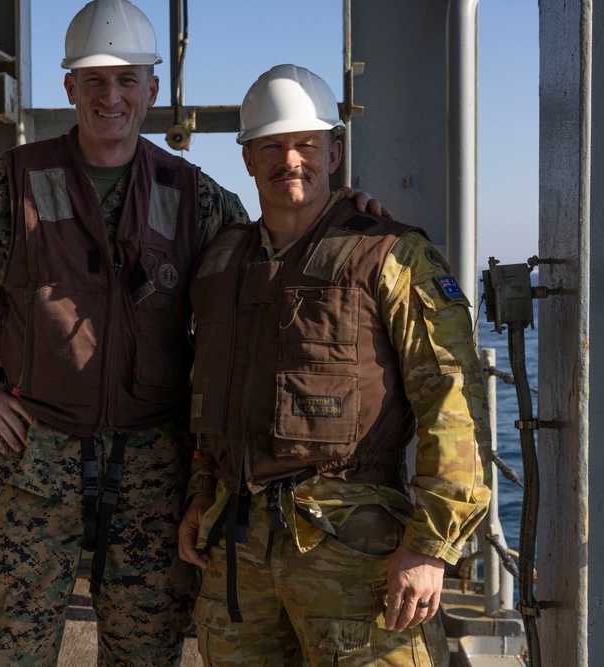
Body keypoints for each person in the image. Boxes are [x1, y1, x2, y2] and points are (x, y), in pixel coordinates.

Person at [0, 2, 385, 663]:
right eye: (94, 80)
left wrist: (342, 211)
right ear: (69, 87)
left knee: (147, 655)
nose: (111, 96)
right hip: (32, 466)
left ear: (152, 89)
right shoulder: (11, 188)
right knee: (8, 650)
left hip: (153, 473)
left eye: (127, 80)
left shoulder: (196, 199)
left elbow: (271, 262)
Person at [177, 63, 491, 666]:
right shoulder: (219, 265)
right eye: (271, 146)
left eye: (306, 145)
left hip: (354, 554)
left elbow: (453, 401)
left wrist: (430, 548)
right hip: (238, 555)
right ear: (246, 158)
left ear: (335, 152)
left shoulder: (392, 256)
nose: (289, 160)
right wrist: (201, 495)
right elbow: (208, 400)